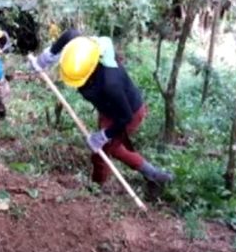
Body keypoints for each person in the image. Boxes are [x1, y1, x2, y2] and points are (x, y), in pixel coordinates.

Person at [31, 28, 173, 190]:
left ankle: (150, 175)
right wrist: (48, 56)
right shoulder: (86, 49)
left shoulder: (110, 83)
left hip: (129, 113)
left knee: (107, 150)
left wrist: (103, 135)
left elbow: (125, 117)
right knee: (102, 151)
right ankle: (100, 184)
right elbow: (71, 34)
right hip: (107, 108)